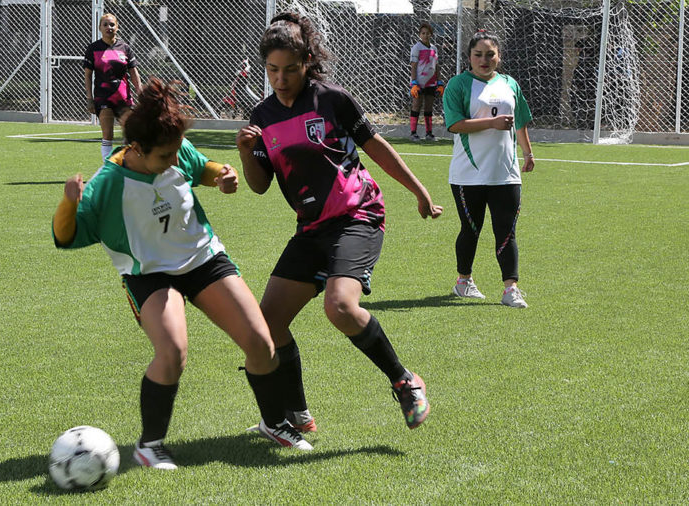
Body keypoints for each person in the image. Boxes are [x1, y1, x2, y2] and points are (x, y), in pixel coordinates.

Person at [54, 78, 312, 470]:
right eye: (165, 156)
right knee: (172, 351)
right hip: (149, 274)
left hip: (203, 259)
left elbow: (201, 168)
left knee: (261, 342)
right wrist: (68, 204)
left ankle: (273, 422)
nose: (175, 161)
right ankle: (150, 444)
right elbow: (65, 236)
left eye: (176, 151)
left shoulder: (176, 149)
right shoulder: (108, 185)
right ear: (136, 149)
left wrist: (221, 178)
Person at [236, 12, 442, 434]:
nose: (281, 78)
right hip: (311, 228)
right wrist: (246, 152)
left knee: (341, 306)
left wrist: (419, 191)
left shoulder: (332, 99)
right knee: (268, 324)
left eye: (290, 69)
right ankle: (298, 414)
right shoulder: (262, 114)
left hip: (357, 215)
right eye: (273, 70)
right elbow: (258, 186)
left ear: (308, 61)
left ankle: (405, 381)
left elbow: (376, 146)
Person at [443, 30, 534, 308]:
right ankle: (463, 281)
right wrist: (491, 124)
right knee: (471, 229)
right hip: (467, 175)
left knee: (506, 231)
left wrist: (528, 152)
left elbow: (520, 121)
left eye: (490, 54)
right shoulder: (458, 85)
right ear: (469, 57)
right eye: (478, 54)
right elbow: (455, 124)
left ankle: (511, 289)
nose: (484, 59)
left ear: (499, 56)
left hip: (505, 174)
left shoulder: (509, 84)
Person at [83, 13, 141, 160]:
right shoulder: (93, 49)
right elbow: (88, 75)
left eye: (112, 24)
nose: (109, 27)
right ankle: (107, 169)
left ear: (117, 27)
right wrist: (89, 98)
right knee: (108, 134)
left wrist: (140, 92)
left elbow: (134, 73)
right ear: (100, 28)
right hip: (103, 97)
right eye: (105, 25)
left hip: (123, 98)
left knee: (130, 135)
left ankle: (127, 166)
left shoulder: (125, 48)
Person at [408, 22, 443, 142]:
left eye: (428, 33)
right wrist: (414, 82)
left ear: (431, 34)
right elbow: (413, 66)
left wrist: (439, 81)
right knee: (416, 105)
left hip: (431, 83)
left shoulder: (434, 48)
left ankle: (429, 133)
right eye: (423, 33)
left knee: (429, 107)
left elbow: (436, 66)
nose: (425, 35)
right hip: (419, 82)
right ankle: (413, 133)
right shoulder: (416, 48)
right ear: (419, 34)